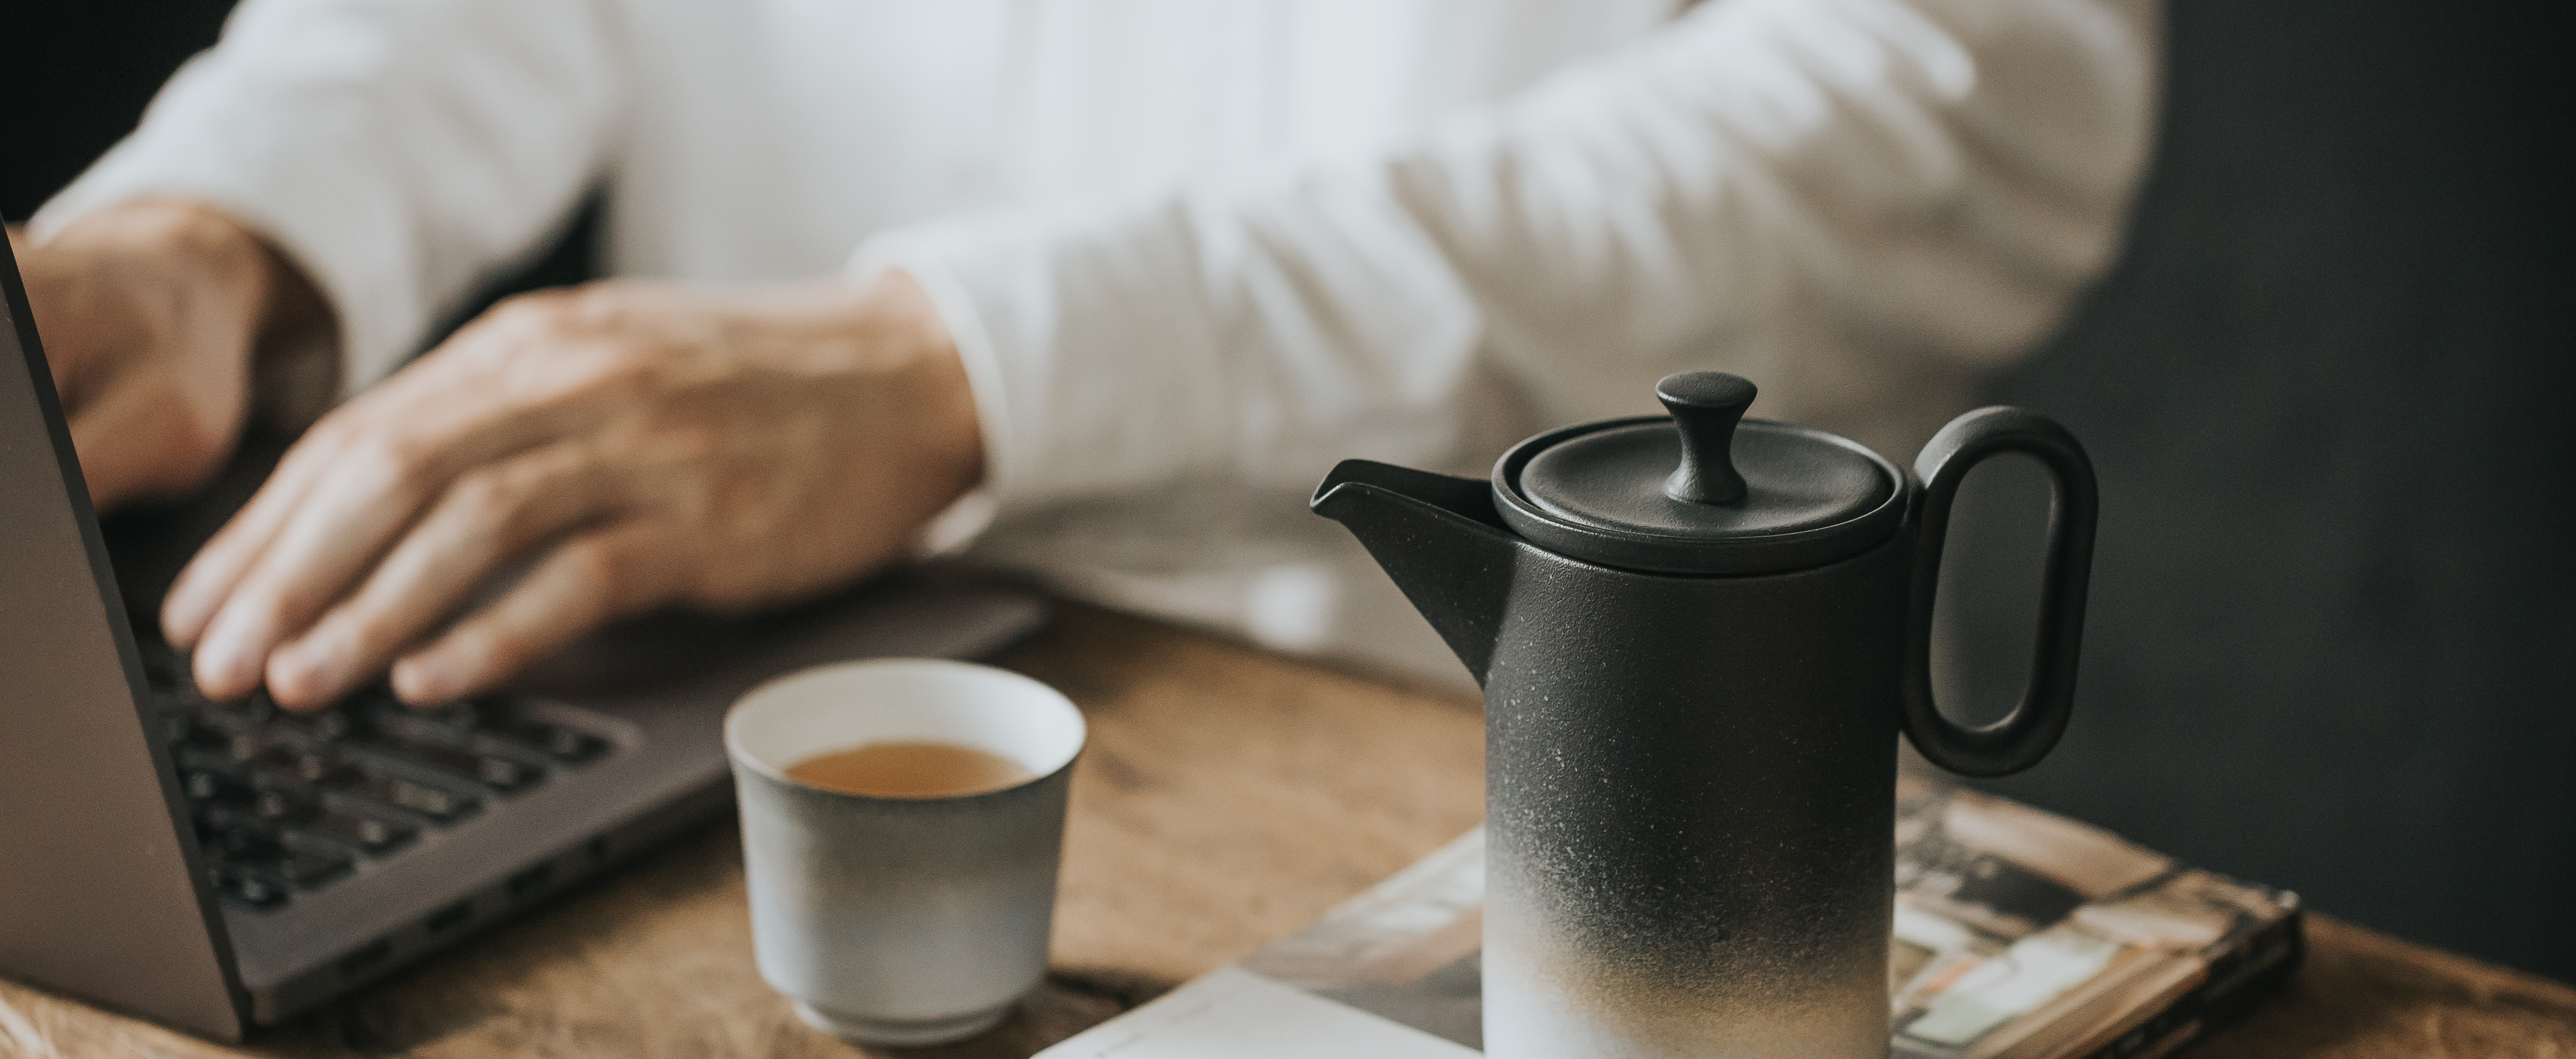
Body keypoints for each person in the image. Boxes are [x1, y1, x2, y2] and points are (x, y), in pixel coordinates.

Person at [16, 0, 2160, 708]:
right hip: (707, 698)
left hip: (1476, 765)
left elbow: (1971, 96)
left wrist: (972, 365)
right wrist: (241, 219)